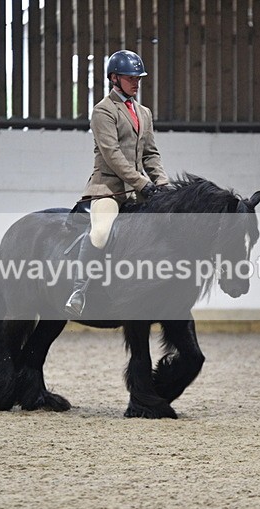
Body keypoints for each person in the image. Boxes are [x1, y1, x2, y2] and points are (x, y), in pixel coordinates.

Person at [64, 50, 170, 317]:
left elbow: (150, 154)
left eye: (138, 78)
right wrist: (142, 183)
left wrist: (163, 184)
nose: (136, 83)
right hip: (108, 190)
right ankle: (79, 291)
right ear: (114, 78)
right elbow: (112, 156)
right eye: (130, 78)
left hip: (138, 191)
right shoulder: (103, 110)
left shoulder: (144, 113)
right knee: (101, 232)